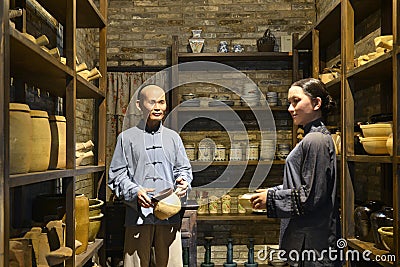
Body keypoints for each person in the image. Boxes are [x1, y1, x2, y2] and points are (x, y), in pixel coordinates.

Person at [251, 78, 341, 267]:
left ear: (317, 103)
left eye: (296, 101)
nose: (290, 109)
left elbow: (311, 196)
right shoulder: (312, 137)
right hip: (308, 240)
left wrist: (272, 198)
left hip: (312, 243)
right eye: (289, 103)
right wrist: (271, 192)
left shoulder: (315, 140)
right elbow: (305, 185)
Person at [108, 84, 193, 267]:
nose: (158, 107)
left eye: (161, 102)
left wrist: (184, 181)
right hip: (137, 215)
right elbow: (116, 175)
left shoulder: (173, 138)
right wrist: (135, 191)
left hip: (170, 213)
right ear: (139, 105)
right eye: (152, 102)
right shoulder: (126, 138)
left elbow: (184, 169)